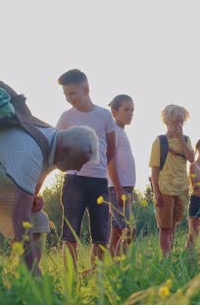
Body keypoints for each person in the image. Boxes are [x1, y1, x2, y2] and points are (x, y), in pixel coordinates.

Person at [0, 124, 98, 275]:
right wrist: (36, 273)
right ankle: (32, 277)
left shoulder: (55, 146)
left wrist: (33, 197)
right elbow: (20, 216)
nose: (78, 169)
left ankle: (25, 281)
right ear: (64, 150)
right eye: (79, 162)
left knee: (38, 219)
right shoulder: (31, 153)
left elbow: (40, 174)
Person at [56, 69, 118, 271]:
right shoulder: (66, 117)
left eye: (72, 93)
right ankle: (70, 275)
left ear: (86, 89)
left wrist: (98, 166)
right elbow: (56, 145)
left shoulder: (104, 115)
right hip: (73, 180)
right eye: (65, 94)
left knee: (101, 232)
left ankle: (94, 274)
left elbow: (111, 148)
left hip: (99, 181)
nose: (68, 98)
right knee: (70, 231)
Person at [149, 104, 195, 255]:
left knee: (174, 226)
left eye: (181, 121)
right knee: (165, 228)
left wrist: (181, 140)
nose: (178, 125)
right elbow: (154, 169)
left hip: (181, 189)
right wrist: (156, 192)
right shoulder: (160, 141)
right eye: (175, 121)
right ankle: (166, 258)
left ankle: (171, 254)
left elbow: (192, 159)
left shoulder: (186, 140)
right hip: (164, 189)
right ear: (167, 121)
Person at [106, 94, 136, 256]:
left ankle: (106, 269)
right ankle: (118, 267)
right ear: (114, 111)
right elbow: (110, 162)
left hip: (125, 188)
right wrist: (118, 189)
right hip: (117, 188)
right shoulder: (114, 132)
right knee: (129, 230)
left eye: (132, 110)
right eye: (126, 110)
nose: (130, 113)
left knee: (117, 233)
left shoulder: (121, 132)